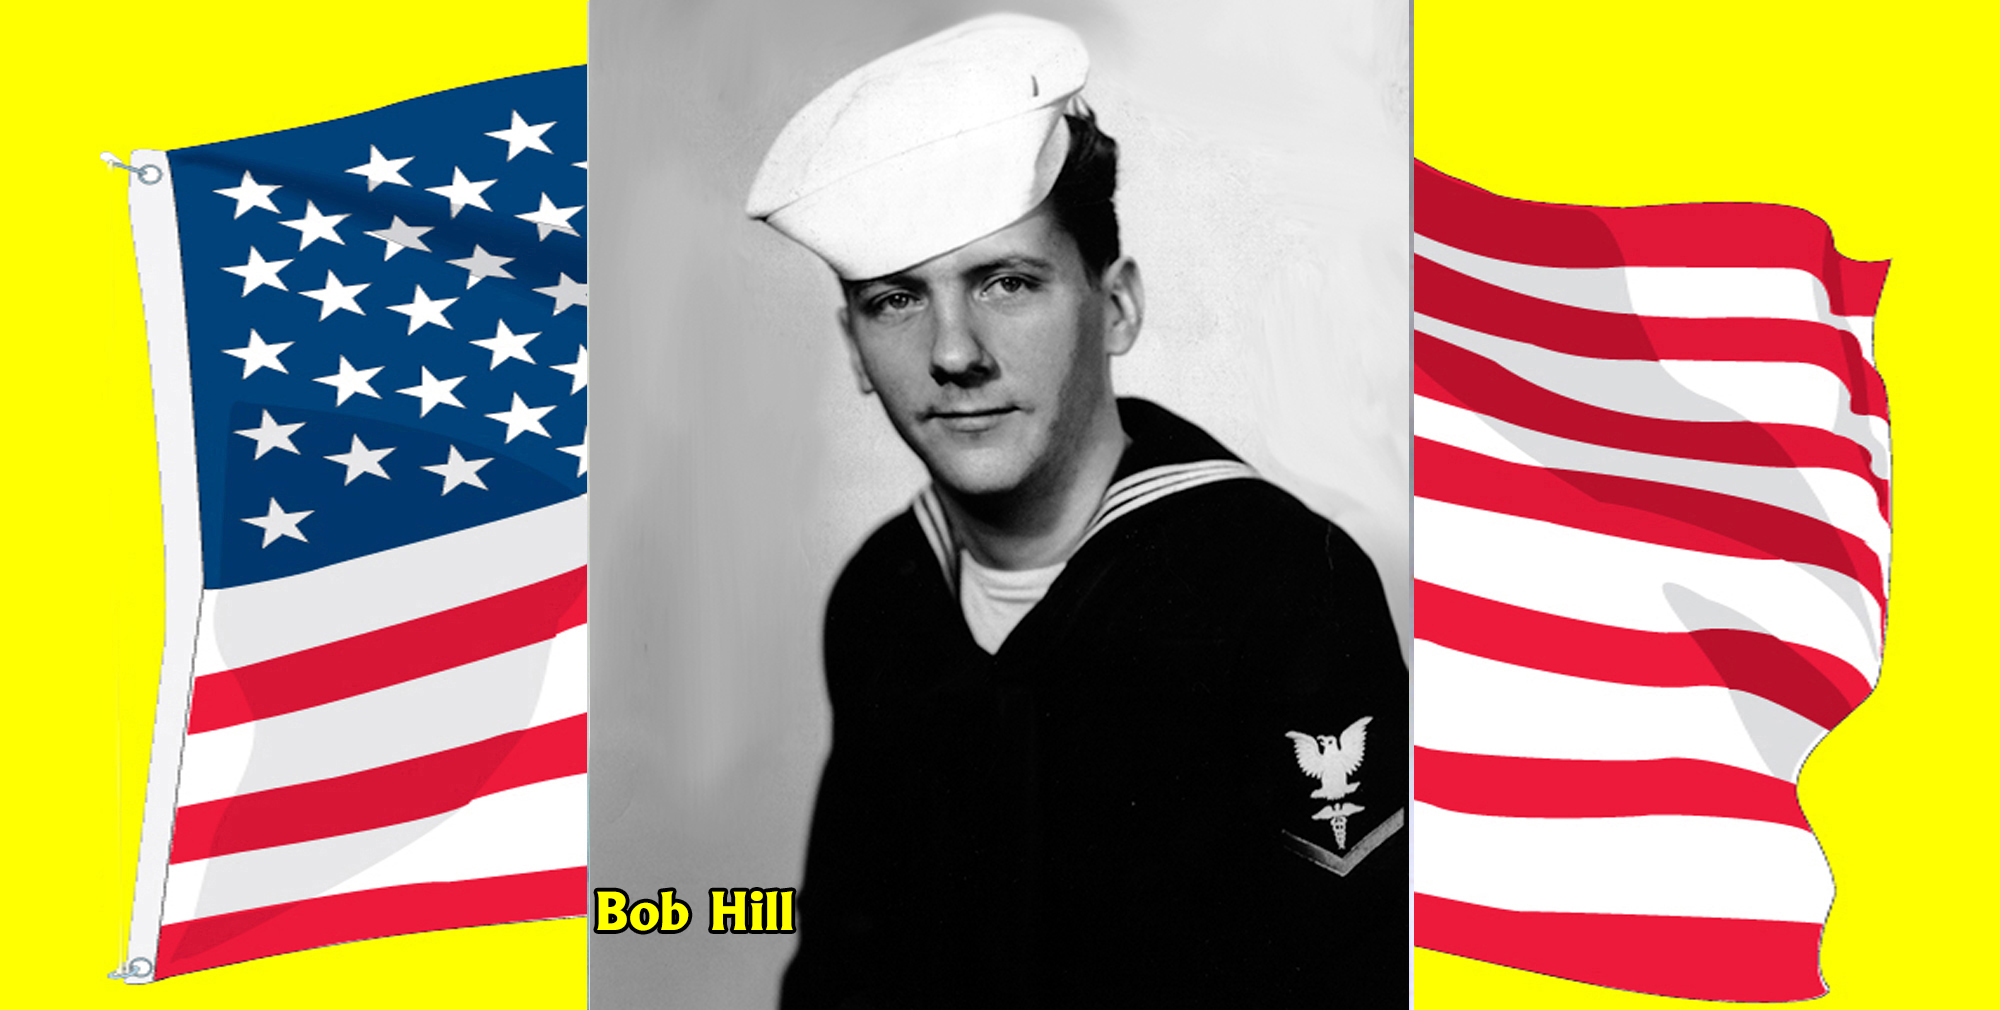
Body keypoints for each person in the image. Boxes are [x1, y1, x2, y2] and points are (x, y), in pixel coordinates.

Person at [745, 14, 1407, 1008]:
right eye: (896, 300)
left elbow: (1361, 975)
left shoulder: (1279, 589)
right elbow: (842, 968)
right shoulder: (884, 592)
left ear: (1118, 306)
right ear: (852, 347)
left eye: (1007, 282)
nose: (954, 352)